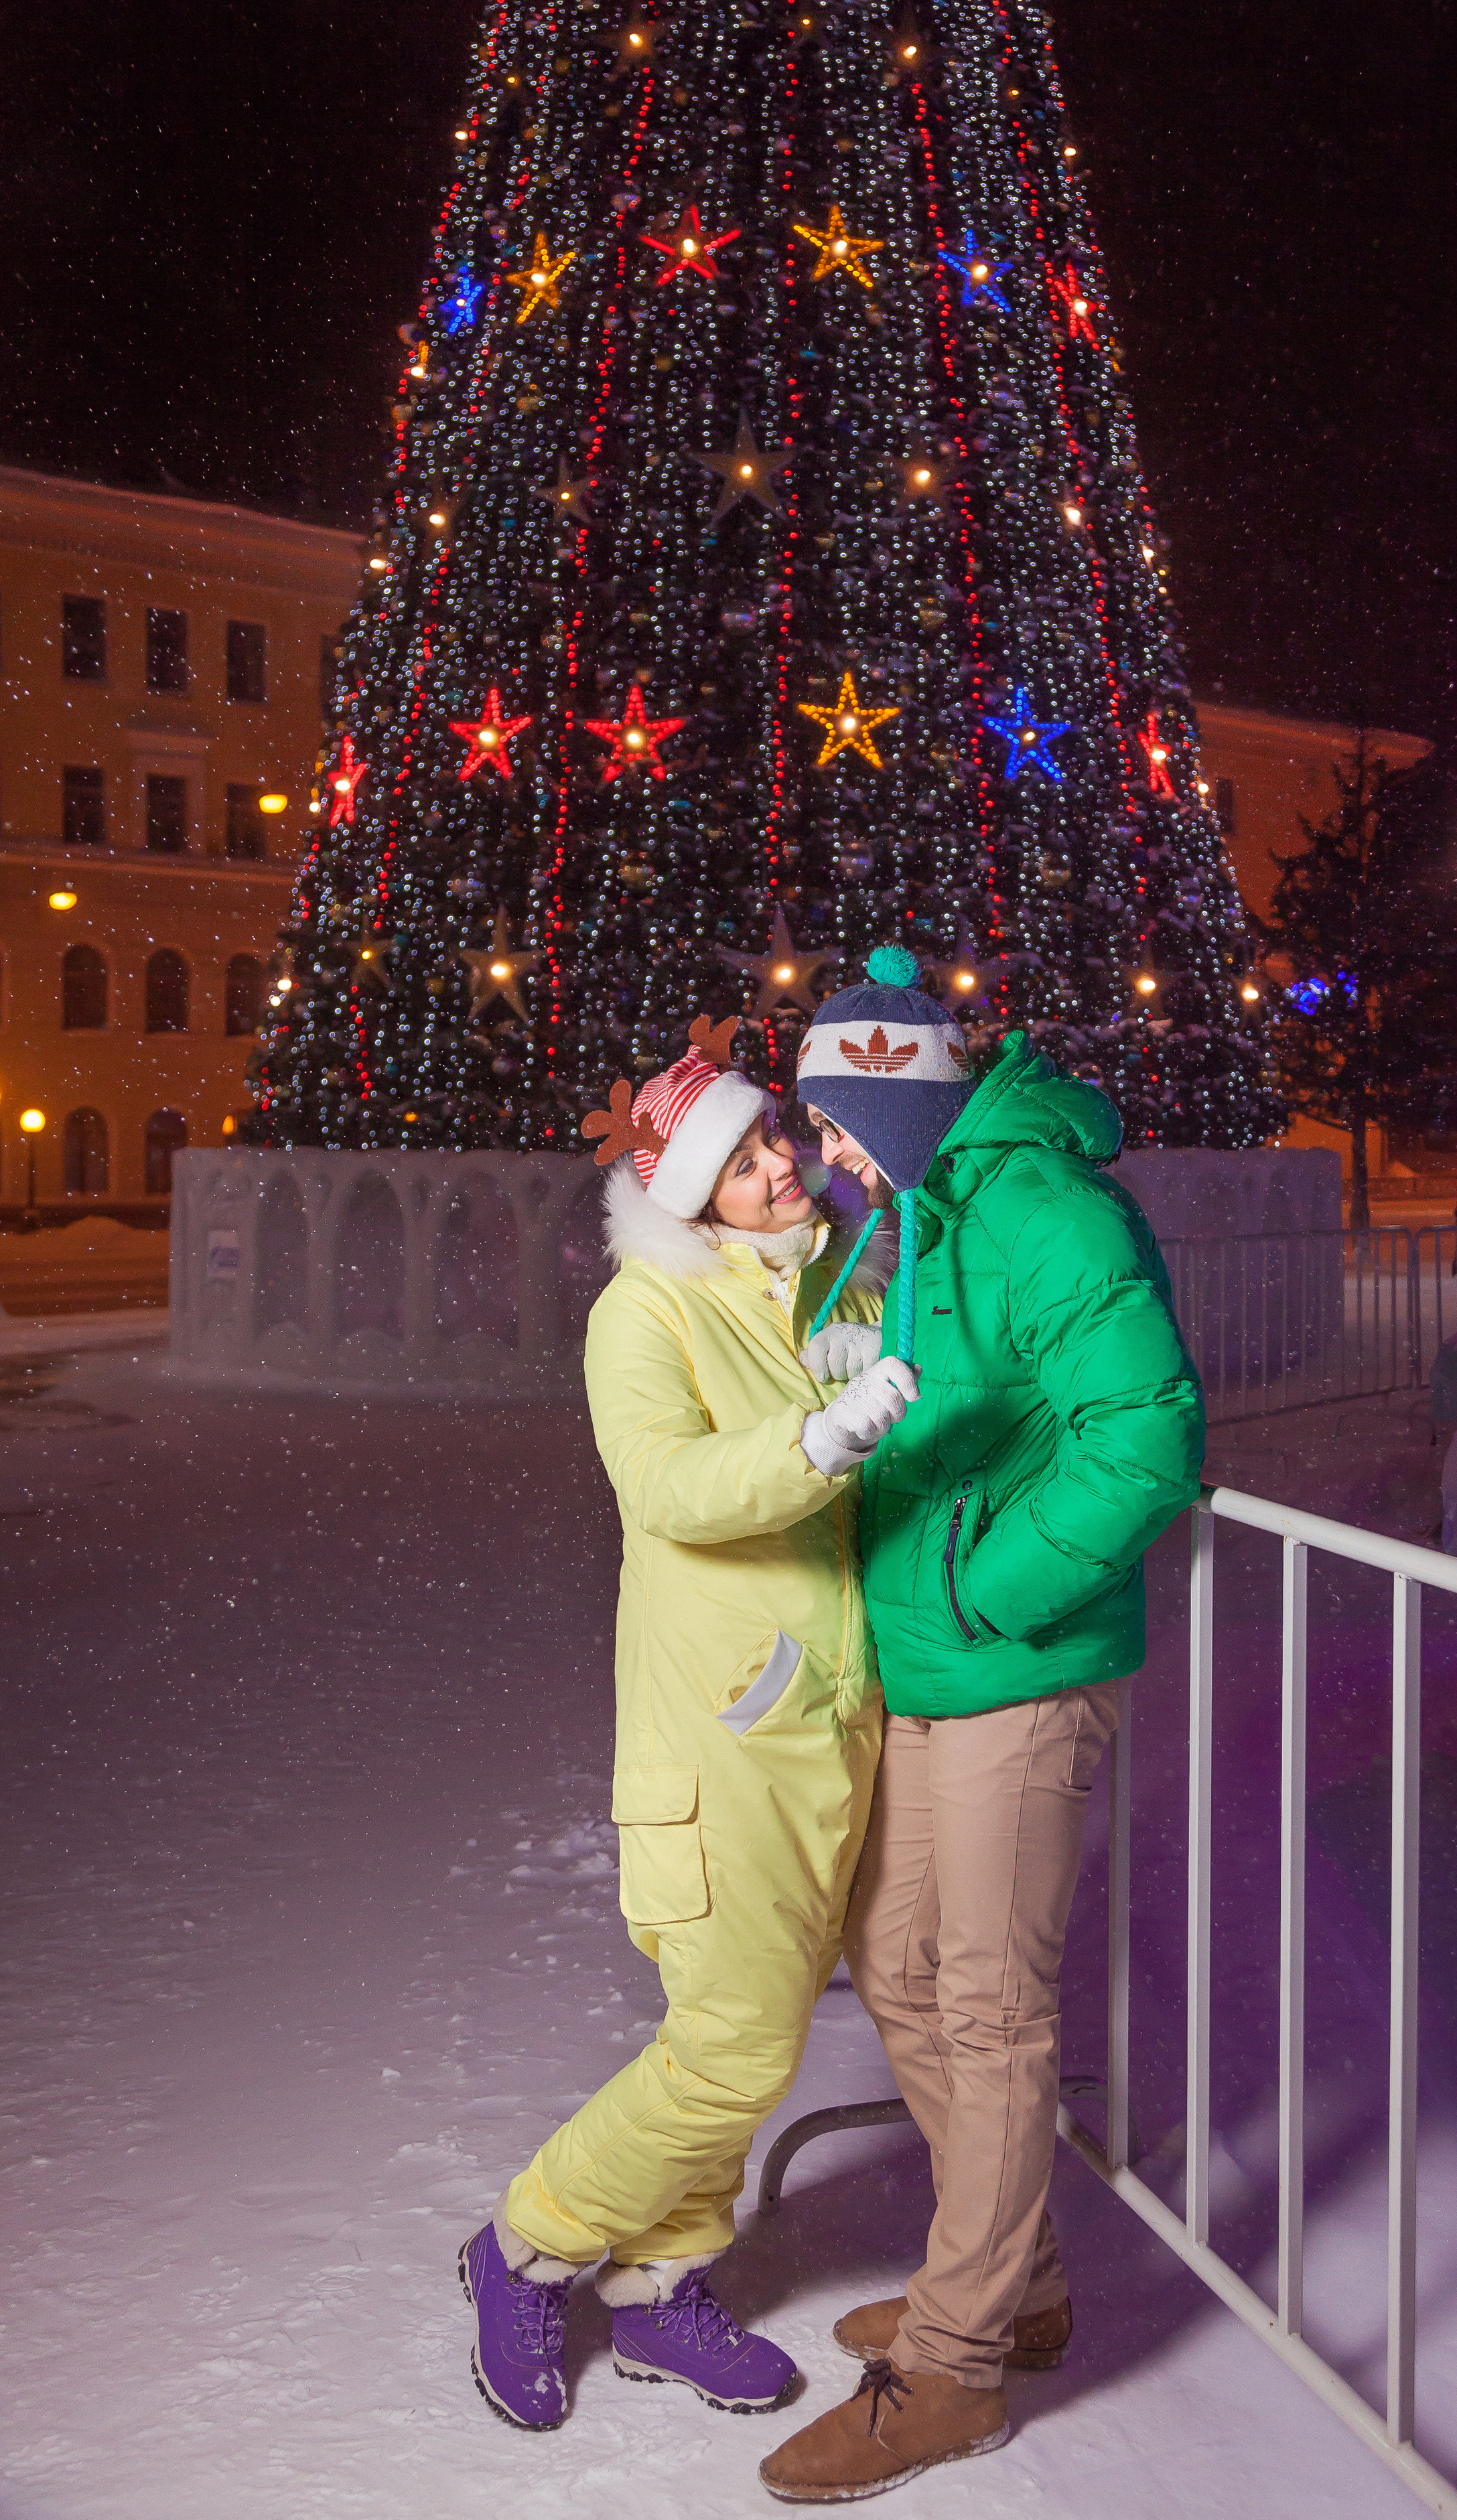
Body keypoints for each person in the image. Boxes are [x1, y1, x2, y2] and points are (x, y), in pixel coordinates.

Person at [758, 948, 1205, 2503]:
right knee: (893, 1964)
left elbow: (1144, 1438)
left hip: (1015, 1665)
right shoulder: (926, 1215)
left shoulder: (1036, 1206)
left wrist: (980, 1590)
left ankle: (952, 2368)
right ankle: (1008, 2280)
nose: (819, 1155)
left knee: (990, 2003)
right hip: (930, 1665)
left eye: (829, 1125)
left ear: (887, 1101)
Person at [458, 1016, 918, 2430]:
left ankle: (659, 2289)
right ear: (683, 1198)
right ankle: (526, 2243)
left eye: (775, 1136)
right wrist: (813, 1442)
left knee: (734, 2032)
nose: (778, 1162)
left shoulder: (811, 1289)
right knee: (732, 2046)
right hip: (720, 1748)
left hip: (820, 1731)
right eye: (739, 1161)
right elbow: (664, 1489)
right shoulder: (646, 1312)